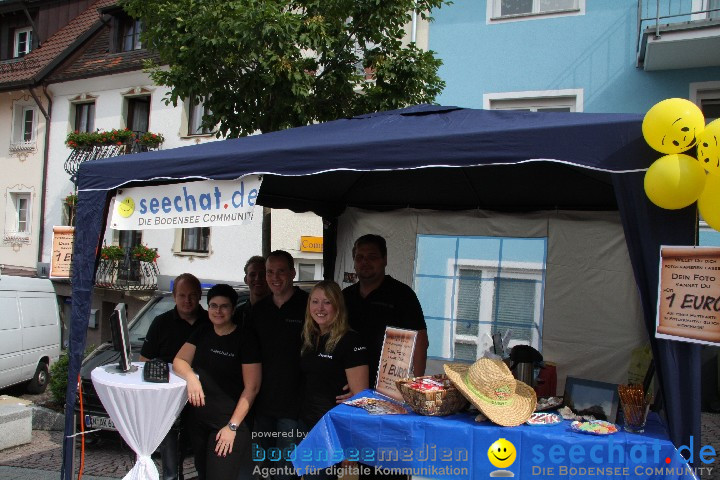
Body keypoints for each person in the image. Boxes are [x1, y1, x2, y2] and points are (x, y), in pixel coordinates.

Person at [173, 284, 261, 480]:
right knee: (203, 474)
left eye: (224, 306)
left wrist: (232, 427)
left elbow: (252, 387)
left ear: (233, 308)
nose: (218, 311)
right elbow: (179, 361)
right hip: (199, 422)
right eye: (213, 305)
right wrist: (191, 379)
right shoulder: (203, 331)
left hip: (227, 425)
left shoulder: (245, 338)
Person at [140, 273, 209, 480]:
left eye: (192, 295)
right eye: (182, 295)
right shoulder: (161, 323)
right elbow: (144, 361)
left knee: (202, 458)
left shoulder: (210, 322)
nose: (187, 300)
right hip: (168, 403)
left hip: (201, 399)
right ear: (174, 295)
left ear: (199, 296)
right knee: (170, 466)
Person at [248, 250, 308, 480]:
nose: (274, 277)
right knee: (265, 469)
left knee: (286, 472)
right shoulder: (259, 310)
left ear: (293, 273)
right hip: (263, 405)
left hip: (294, 408)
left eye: (281, 271)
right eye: (270, 272)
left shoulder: (307, 306)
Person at [342, 234, 429, 388]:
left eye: (372, 257)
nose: (365, 262)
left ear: (385, 260)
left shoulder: (403, 294)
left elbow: (420, 341)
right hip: (349, 386)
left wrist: (416, 385)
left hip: (389, 388)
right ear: (354, 262)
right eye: (359, 257)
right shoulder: (344, 296)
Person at [234, 255, 269, 329]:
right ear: (246, 280)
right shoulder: (238, 314)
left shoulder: (280, 312)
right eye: (252, 275)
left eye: (262, 274)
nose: (257, 278)